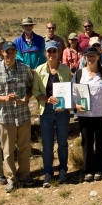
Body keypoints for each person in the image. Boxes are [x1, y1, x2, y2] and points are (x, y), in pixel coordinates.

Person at [0, 41, 34, 193]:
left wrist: (26, 97)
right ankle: (12, 178)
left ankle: (25, 175)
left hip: (23, 115)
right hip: (5, 117)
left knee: (25, 147)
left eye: (13, 51)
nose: (10, 54)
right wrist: (3, 98)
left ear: (15, 53)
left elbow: (31, 88)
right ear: (2, 53)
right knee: (7, 150)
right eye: (8, 51)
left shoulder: (25, 69)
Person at [33, 41, 72, 187]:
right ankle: (48, 173)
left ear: (58, 53)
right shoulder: (39, 70)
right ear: (45, 53)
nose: (52, 54)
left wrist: (65, 105)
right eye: (49, 51)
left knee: (62, 143)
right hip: (46, 111)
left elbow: (70, 90)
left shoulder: (65, 70)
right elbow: (36, 91)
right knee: (47, 144)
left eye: (54, 51)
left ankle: (63, 170)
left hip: (62, 111)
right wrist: (46, 99)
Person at [74, 47, 102, 182]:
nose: (91, 59)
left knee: (101, 142)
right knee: (87, 143)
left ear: (98, 57)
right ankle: (88, 170)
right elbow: (72, 92)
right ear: (84, 58)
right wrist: (75, 105)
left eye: (93, 56)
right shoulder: (79, 74)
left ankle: (99, 169)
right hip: (85, 115)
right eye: (88, 56)